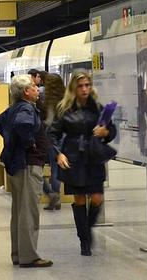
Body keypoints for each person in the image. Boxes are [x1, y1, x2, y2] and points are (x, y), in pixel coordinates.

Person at [47, 72, 116, 256]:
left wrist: (106, 133)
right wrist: (58, 154)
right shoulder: (64, 109)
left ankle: (86, 229)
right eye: (81, 86)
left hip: (93, 157)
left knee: (96, 198)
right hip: (73, 157)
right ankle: (85, 240)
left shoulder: (99, 108)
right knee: (79, 199)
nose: (85, 89)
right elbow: (52, 134)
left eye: (87, 85)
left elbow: (111, 130)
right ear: (73, 88)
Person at [0, 75, 53, 268]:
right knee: (29, 212)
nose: (37, 89)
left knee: (18, 211)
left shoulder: (15, 107)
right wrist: (28, 143)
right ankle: (29, 256)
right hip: (28, 165)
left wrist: (11, 140)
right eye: (34, 87)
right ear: (26, 92)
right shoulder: (26, 108)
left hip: (17, 165)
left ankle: (18, 254)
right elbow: (22, 125)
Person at [42, 73, 66, 211]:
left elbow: (48, 121)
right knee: (57, 167)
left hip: (51, 135)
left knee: (54, 167)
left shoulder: (48, 101)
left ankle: (54, 197)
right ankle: (56, 196)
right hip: (63, 134)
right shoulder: (64, 99)